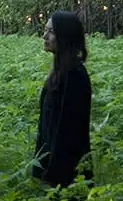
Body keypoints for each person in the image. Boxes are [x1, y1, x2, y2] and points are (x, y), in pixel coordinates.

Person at [33, 10, 93, 189]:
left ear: (65, 36)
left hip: (68, 175)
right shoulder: (60, 74)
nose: (45, 36)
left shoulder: (75, 76)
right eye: (45, 30)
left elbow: (69, 134)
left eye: (51, 31)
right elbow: (47, 126)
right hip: (54, 170)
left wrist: (53, 172)